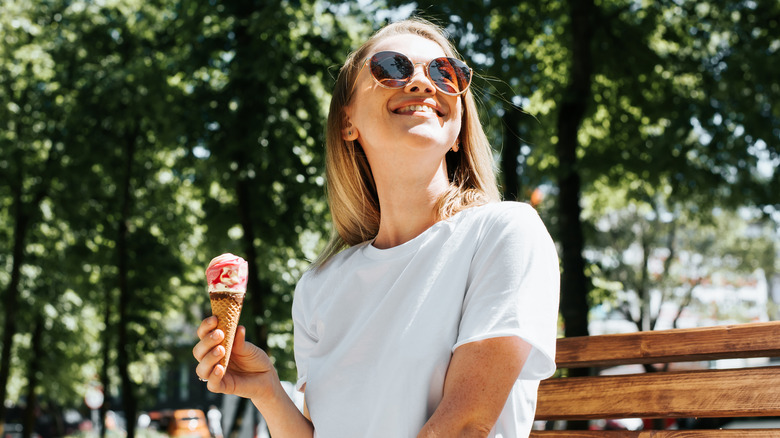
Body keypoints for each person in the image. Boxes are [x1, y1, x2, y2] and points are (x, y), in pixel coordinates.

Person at [193, 17, 560, 438]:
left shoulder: (504, 234)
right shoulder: (319, 286)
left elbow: (464, 426)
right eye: (392, 67)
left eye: (445, 72)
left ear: (458, 129)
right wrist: (266, 391)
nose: (423, 83)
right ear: (347, 122)